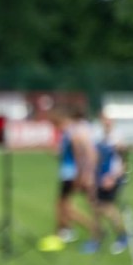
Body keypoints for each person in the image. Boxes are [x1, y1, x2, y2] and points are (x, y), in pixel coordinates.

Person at [39, 107, 97, 252]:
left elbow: (80, 154)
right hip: (68, 173)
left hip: (71, 174)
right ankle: (66, 230)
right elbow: (66, 155)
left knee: (66, 207)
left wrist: (83, 174)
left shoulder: (72, 133)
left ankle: (93, 229)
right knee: (62, 206)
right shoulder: (68, 133)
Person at [83, 115, 129, 255]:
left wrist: (113, 177)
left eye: (108, 120)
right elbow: (95, 158)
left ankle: (122, 235)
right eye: (103, 120)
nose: (106, 123)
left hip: (111, 178)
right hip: (99, 177)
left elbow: (123, 161)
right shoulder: (98, 137)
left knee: (107, 208)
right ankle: (96, 238)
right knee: (95, 208)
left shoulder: (117, 138)